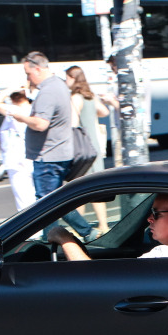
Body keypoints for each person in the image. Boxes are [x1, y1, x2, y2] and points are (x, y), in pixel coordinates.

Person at [0, 52, 94, 239]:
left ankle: (82, 233)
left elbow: (41, 124)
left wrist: (20, 117)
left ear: (38, 69)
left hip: (48, 154)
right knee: (53, 200)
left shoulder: (49, 91)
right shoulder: (58, 85)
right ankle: (57, 237)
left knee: (49, 203)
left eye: (28, 73)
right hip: (56, 152)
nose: (28, 78)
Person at [48, 193, 168, 262]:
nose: (149, 219)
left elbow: (95, 282)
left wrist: (64, 238)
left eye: (156, 213)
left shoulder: (163, 254)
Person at [65, 65, 112, 233]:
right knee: (96, 188)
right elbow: (104, 112)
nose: (66, 81)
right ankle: (104, 224)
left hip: (82, 148)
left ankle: (78, 227)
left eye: (67, 78)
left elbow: (72, 123)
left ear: (73, 78)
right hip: (95, 148)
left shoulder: (75, 97)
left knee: (79, 187)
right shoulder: (90, 96)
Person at [0, 90, 36, 211]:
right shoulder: (34, 109)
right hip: (31, 158)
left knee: (24, 201)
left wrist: (9, 89)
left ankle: (31, 227)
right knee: (37, 197)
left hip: (17, 161)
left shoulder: (13, 110)